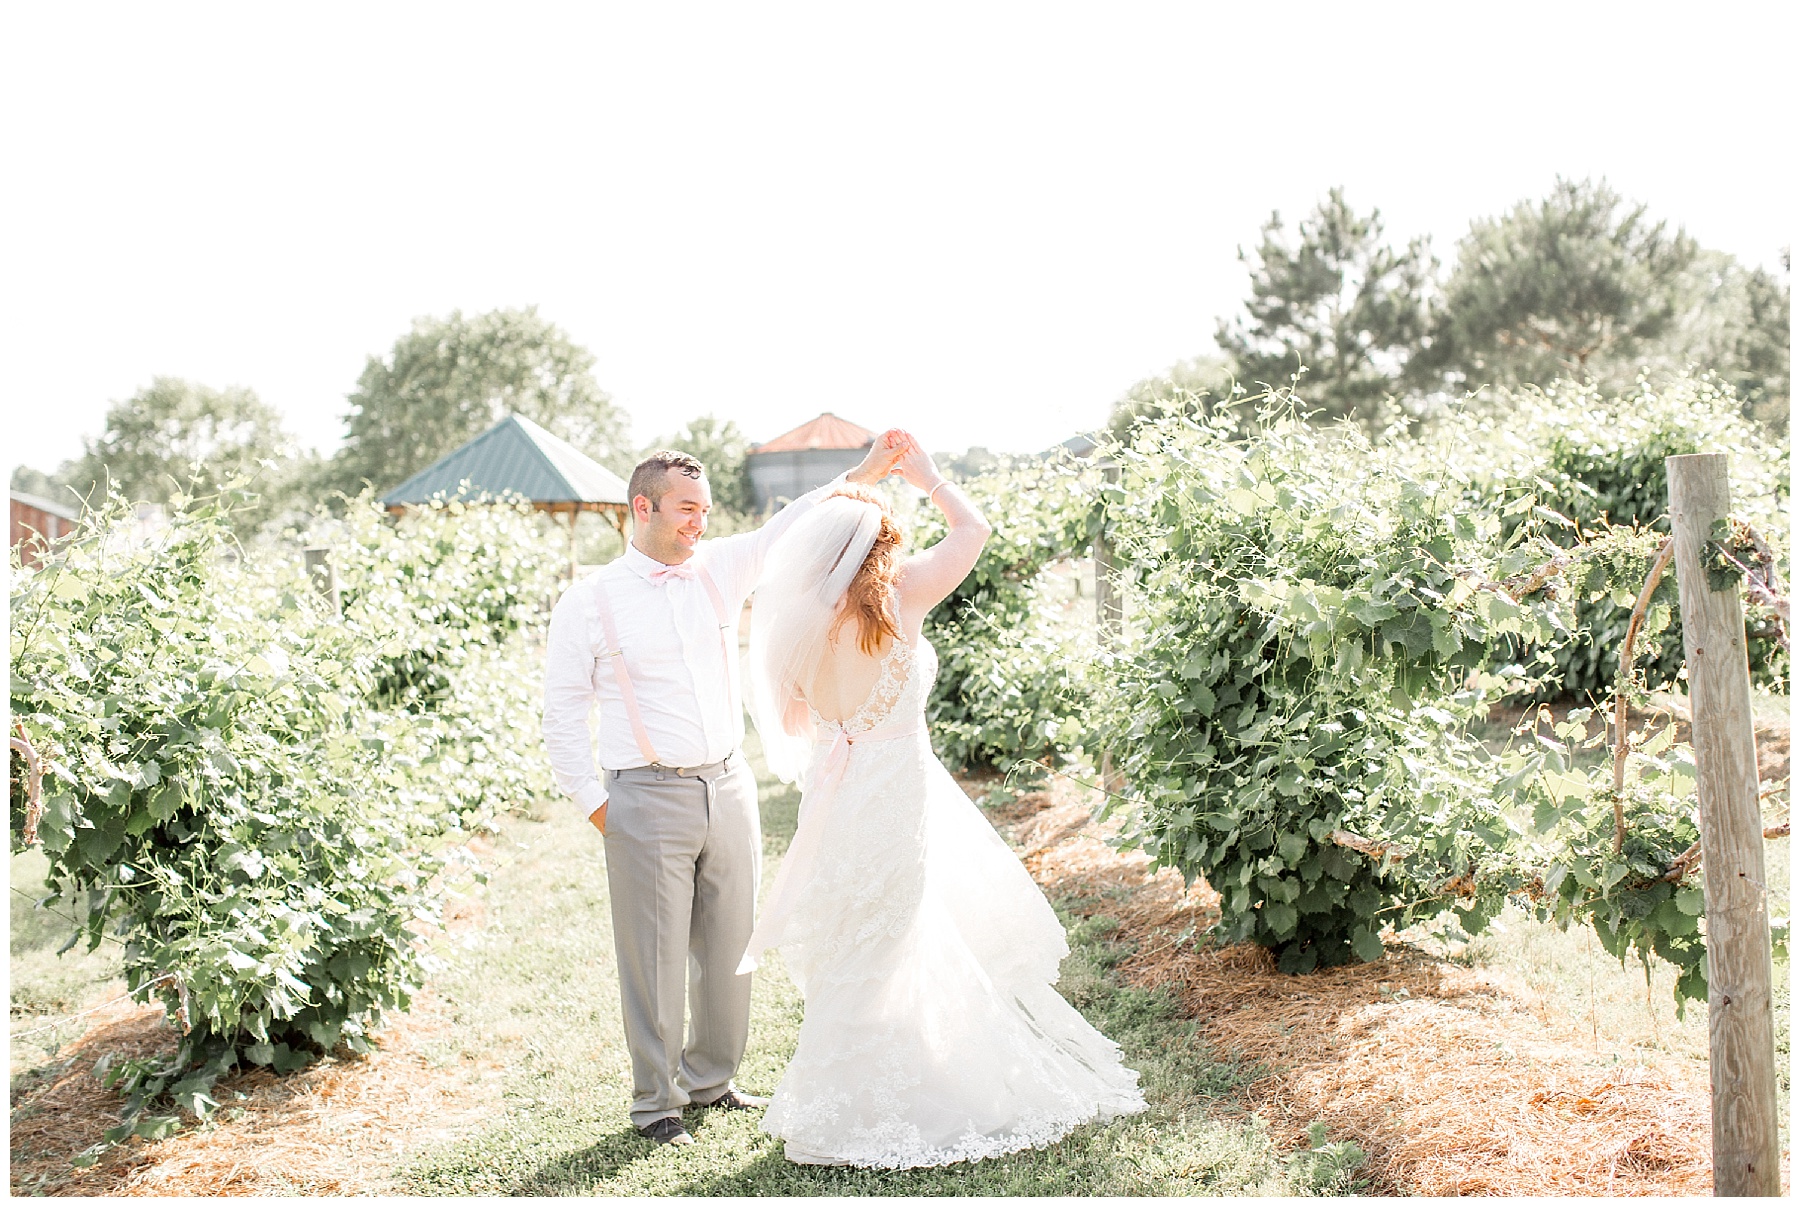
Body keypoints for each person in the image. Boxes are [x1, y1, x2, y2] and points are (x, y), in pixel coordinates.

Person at [739, 432, 1146, 1168]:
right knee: (900, 931)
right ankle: (919, 1086)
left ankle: (841, 1103)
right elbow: (975, 530)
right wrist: (926, 477)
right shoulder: (903, 599)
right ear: (882, 547)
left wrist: (854, 481)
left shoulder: (795, 627)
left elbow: (801, 721)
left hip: (837, 796)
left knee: (851, 939)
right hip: (897, 790)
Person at [541, 433, 911, 1147]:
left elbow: (791, 523)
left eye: (705, 509)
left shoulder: (717, 567)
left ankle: (713, 1078)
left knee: (733, 940)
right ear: (642, 506)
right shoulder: (588, 601)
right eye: (686, 509)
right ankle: (656, 1102)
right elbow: (561, 714)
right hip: (644, 794)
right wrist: (599, 806)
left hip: (729, 783)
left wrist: (861, 475)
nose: (699, 522)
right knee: (653, 957)